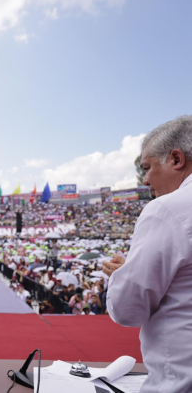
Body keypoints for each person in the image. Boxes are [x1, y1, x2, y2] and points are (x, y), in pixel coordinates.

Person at [103, 116, 192, 392]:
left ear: (176, 159)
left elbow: (128, 309)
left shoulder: (166, 209)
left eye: (148, 167)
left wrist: (124, 274)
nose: (145, 180)